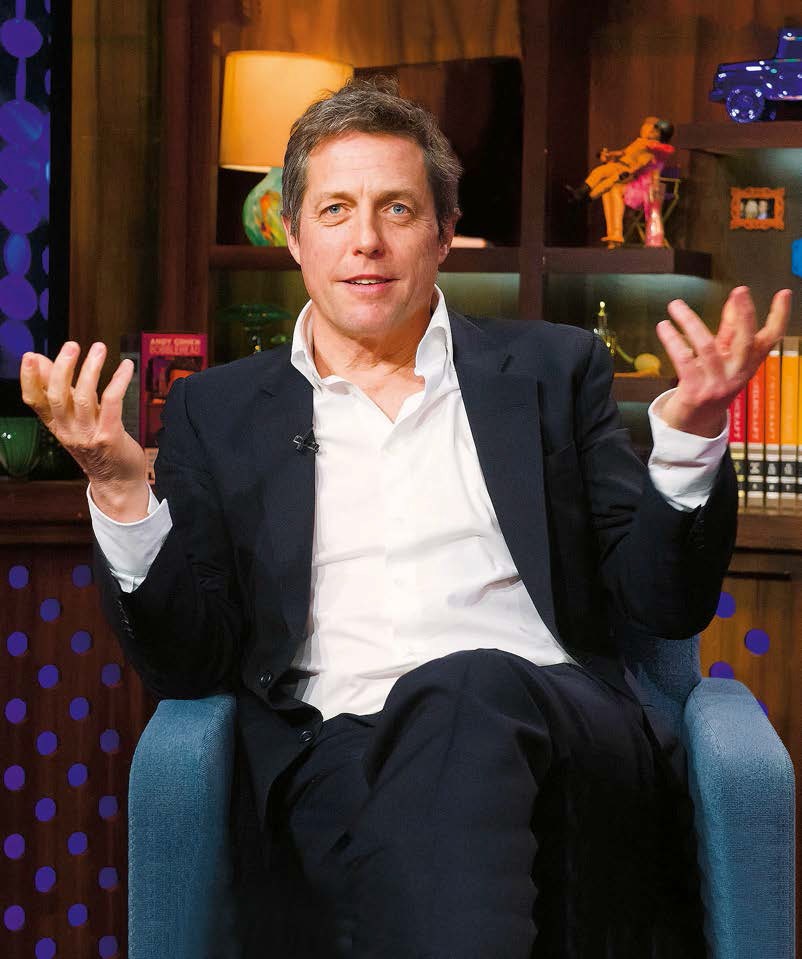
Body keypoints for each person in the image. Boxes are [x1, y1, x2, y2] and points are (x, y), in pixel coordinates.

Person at [21, 79, 789, 957]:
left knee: (465, 688)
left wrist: (689, 441)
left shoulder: (554, 370)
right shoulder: (217, 411)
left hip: (562, 746)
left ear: (444, 231)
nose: (367, 240)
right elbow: (188, 659)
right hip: (333, 763)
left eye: (397, 208)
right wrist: (121, 489)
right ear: (292, 235)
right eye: (335, 210)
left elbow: (662, 603)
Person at [567, 116, 675, 248]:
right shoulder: (641, 143)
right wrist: (611, 156)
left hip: (646, 190)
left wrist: (625, 170)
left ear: (659, 134)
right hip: (633, 181)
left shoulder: (655, 148)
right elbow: (625, 153)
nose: (647, 130)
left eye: (652, 129)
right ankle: (614, 234)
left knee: (611, 185)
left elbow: (642, 164)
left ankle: (612, 228)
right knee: (608, 186)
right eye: (646, 127)